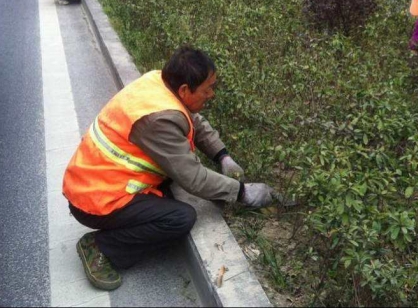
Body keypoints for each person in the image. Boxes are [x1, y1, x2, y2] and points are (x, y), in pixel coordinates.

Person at [62, 46, 275, 291]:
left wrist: (222, 156)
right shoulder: (158, 120)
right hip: (95, 200)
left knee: (168, 193)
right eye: (208, 88)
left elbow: (194, 121)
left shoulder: (159, 83)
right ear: (185, 90)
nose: (211, 94)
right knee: (179, 218)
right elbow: (193, 179)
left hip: (94, 179)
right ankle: (102, 247)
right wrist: (243, 192)